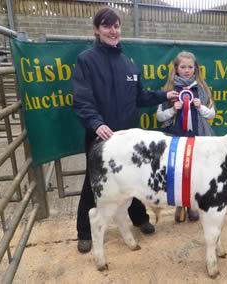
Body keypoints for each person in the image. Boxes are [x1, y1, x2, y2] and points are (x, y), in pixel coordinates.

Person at [72, 7, 178, 253]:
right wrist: (97, 123)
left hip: (129, 137)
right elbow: (82, 98)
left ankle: (139, 219)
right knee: (94, 183)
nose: (113, 30)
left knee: (135, 180)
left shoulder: (128, 63)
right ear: (97, 30)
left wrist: (165, 95)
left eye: (117, 26)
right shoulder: (86, 60)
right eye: (107, 26)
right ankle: (84, 231)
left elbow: (140, 97)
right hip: (102, 137)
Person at [157, 51, 215, 223]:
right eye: (183, 67)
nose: (187, 70)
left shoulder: (203, 89)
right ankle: (180, 205)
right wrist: (173, 109)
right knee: (177, 171)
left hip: (198, 137)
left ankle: (193, 205)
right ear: (176, 68)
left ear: (195, 69)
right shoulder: (168, 91)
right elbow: (160, 117)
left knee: (196, 172)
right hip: (176, 138)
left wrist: (200, 108)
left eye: (190, 67)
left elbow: (211, 114)